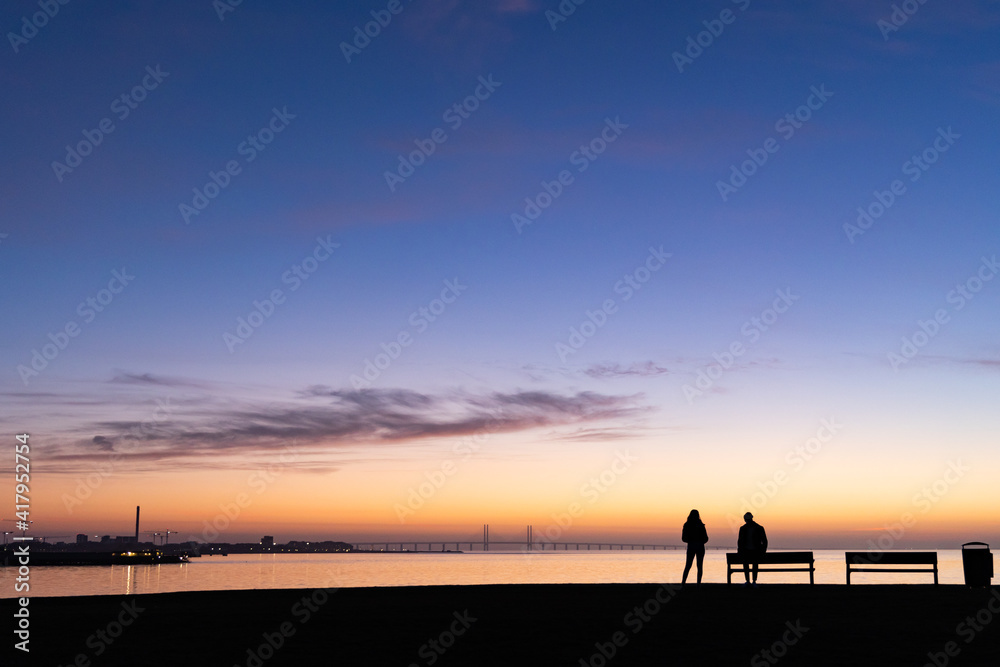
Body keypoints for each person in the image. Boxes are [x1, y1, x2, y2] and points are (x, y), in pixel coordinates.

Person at [737, 512, 768, 586]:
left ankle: (748, 581)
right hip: (755, 551)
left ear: (745, 519)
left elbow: (740, 541)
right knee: (754, 565)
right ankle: (753, 581)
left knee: (746, 565)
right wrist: (763, 551)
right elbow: (765, 541)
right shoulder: (759, 528)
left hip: (748, 551)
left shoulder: (743, 528)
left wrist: (740, 550)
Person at [681, 509, 708, 586]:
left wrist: (691, 540)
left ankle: (683, 583)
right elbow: (706, 538)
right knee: (699, 566)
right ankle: (698, 584)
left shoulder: (686, 525)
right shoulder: (701, 525)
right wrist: (700, 541)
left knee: (688, 565)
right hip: (700, 547)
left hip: (691, 547)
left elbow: (683, 538)